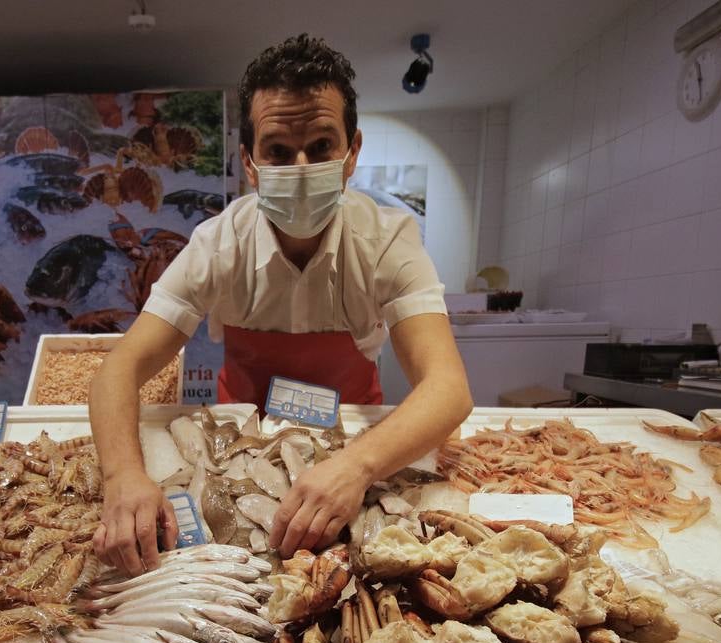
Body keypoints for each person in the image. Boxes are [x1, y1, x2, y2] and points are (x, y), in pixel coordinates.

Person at [90, 34, 472, 575]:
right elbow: (119, 368)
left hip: (355, 445)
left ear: (351, 153)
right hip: (232, 451)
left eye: (320, 147)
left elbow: (448, 388)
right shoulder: (217, 244)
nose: (299, 166)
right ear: (249, 161)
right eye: (277, 150)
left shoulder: (388, 240)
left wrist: (357, 466)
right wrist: (122, 475)